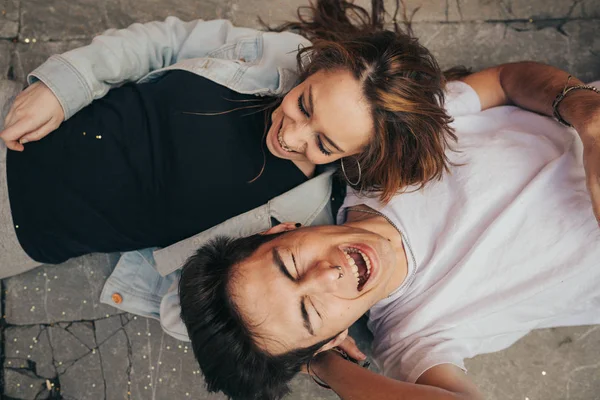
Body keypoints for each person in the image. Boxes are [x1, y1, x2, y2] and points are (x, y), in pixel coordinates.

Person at [177, 68, 600, 399]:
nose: (326, 275)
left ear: (285, 230)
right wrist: (323, 364)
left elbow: (506, 81)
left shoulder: (382, 159)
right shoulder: (412, 337)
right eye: (311, 314)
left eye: (291, 264)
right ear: (333, 338)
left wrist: (588, 116)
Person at [0, 0, 459, 278]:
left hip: (20, 229)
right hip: (22, 117)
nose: (292, 135)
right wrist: (66, 85)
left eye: (326, 145)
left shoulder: (301, 219)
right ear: (314, 70)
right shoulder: (274, 55)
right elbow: (164, 41)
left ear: (357, 157)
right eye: (304, 104)